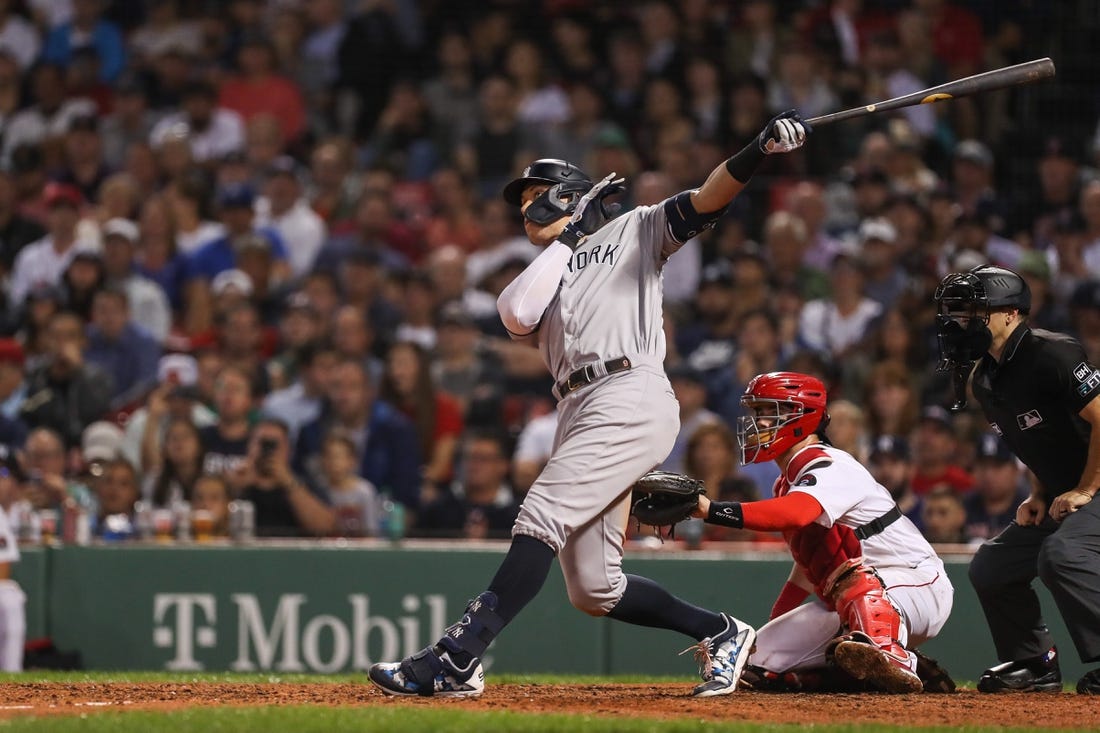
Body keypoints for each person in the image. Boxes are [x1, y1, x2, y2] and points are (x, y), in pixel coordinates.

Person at [370, 109, 812, 698]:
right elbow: (516, 314)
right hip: (576, 406)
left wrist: (756, 149)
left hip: (629, 391)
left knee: (540, 517)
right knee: (593, 588)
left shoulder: (636, 229)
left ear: (570, 195)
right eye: (521, 200)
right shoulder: (546, 268)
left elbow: (707, 199)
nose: (525, 208)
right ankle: (722, 631)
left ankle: (458, 657)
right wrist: (571, 237)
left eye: (535, 195)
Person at [690, 371, 953, 693]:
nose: (758, 422)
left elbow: (796, 514)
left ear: (803, 417)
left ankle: (893, 657)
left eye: (768, 411)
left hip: (915, 586)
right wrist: (775, 625)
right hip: (850, 605)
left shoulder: (831, 465)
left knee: (852, 577)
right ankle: (846, 671)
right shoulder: (788, 481)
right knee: (756, 665)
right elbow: (808, 563)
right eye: (755, 412)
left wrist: (710, 510)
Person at [933, 264, 1100, 694]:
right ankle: (1035, 663)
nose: (962, 324)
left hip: (1094, 487)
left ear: (1011, 314)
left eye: (974, 313)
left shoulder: (1052, 353)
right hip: (1068, 492)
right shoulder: (986, 378)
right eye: (958, 314)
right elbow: (1036, 440)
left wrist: (1086, 488)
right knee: (993, 566)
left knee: (1062, 554)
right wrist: (1038, 493)